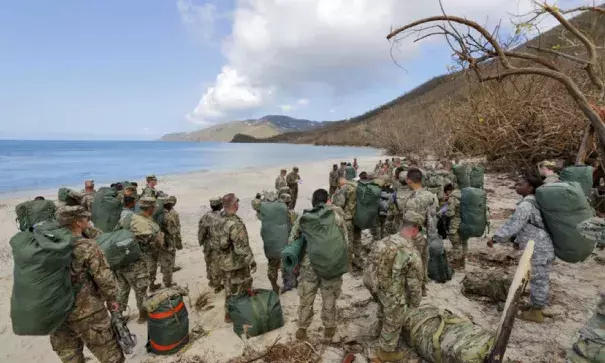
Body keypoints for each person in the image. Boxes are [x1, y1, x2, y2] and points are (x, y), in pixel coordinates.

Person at [51, 206, 124, 363]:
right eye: (86, 218)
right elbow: (104, 278)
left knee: (71, 358)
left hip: (56, 315)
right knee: (111, 355)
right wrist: (112, 300)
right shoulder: (87, 246)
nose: (88, 220)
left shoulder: (45, 247)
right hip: (88, 313)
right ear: (78, 222)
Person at [488, 174, 554, 323]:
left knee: (539, 279)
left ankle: (536, 312)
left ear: (530, 187)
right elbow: (525, 227)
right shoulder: (532, 202)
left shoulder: (526, 205)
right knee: (538, 277)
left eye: (520, 184)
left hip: (538, 247)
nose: (516, 186)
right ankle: (535, 306)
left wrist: (495, 238)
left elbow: (514, 225)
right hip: (539, 246)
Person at [290, 189, 349, 342]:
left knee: (306, 297)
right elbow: (345, 241)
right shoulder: (336, 216)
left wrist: (296, 263)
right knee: (329, 297)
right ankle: (329, 330)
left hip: (309, 265)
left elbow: (292, 241)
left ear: (313, 201)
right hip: (331, 264)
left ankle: (302, 330)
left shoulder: (304, 217)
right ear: (328, 200)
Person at [365, 210, 424, 363]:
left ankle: (378, 329)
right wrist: (415, 302)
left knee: (383, 308)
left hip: (375, 285)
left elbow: (370, 263)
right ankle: (385, 352)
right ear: (415, 229)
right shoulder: (411, 252)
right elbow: (414, 283)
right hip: (392, 291)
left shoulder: (384, 241)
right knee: (394, 319)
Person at [115, 196, 160, 323]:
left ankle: (118, 316)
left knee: (122, 289)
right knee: (141, 290)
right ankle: (142, 315)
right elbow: (156, 246)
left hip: (120, 261)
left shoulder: (127, 217)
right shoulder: (150, 224)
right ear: (151, 209)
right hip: (136, 263)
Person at [219, 193, 256, 322]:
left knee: (228, 288)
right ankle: (240, 314)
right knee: (240, 288)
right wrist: (251, 261)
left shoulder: (219, 218)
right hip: (236, 263)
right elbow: (241, 248)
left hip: (223, 261)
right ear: (235, 204)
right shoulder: (234, 223)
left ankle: (228, 314)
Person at [251, 190, 298, 293]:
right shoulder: (290, 213)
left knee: (272, 266)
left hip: (271, 246)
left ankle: (274, 285)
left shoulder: (266, 211)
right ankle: (288, 284)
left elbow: (255, 206)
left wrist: (258, 196)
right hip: (286, 244)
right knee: (287, 265)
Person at [403, 168, 439, 296]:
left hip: (413, 234)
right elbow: (433, 217)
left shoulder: (411, 199)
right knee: (424, 261)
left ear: (409, 180)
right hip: (426, 234)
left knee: (412, 264)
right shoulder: (431, 196)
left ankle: (414, 291)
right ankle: (423, 288)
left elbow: (408, 221)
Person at [333, 177, 362, 270]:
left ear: (339, 183)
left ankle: (349, 264)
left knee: (348, 241)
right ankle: (357, 259)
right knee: (357, 239)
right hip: (359, 218)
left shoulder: (345, 188)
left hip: (349, 219)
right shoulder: (357, 185)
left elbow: (339, 204)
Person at [198, 197, 225, 293]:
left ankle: (212, 281)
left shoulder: (205, 216)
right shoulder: (223, 216)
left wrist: (201, 241)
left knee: (209, 263)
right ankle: (217, 285)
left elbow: (201, 232)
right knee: (218, 265)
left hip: (208, 245)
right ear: (221, 205)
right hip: (220, 246)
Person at [442, 183, 468, 269]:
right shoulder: (464, 195)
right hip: (465, 223)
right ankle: (462, 263)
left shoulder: (452, 198)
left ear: (448, 191)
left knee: (456, 244)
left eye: (446, 193)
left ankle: (456, 263)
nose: (446, 195)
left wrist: (444, 212)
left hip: (455, 224)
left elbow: (450, 213)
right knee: (463, 242)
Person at [156, 196, 179, 288]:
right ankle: (168, 283)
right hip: (167, 242)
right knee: (168, 263)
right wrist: (177, 229)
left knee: (163, 261)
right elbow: (172, 230)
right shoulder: (167, 216)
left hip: (160, 241)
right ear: (168, 204)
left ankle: (166, 280)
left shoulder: (158, 214)